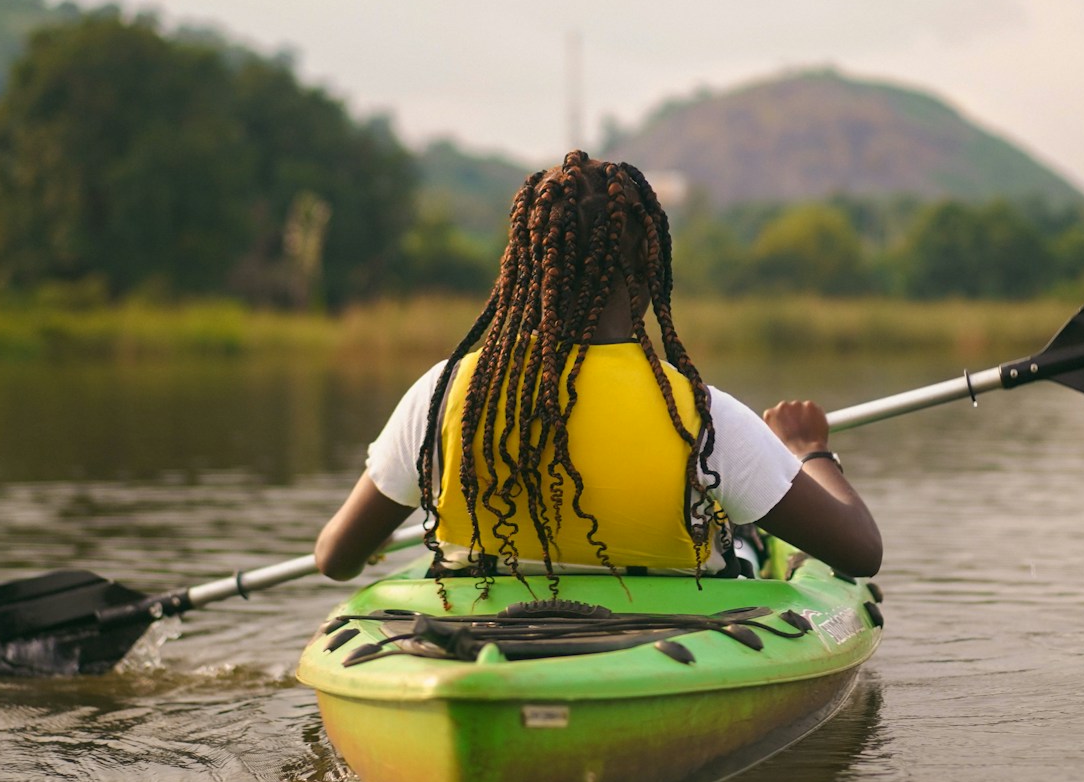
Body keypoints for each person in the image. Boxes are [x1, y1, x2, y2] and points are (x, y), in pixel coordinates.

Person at [314, 152, 881, 586]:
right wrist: (809, 451)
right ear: (649, 261)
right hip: (666, 644)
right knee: (743, 532)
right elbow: (861, 552)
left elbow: (335, 558)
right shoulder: (702, 418)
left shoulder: (442, 394)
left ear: (528, 259)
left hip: (474, 630)